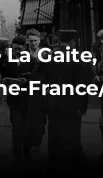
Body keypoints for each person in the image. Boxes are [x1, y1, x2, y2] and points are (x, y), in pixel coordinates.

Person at [32, 30, 91, 174]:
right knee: (73, 133)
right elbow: (82, 84)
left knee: (54, 133)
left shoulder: (48, 56)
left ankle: (54, 162)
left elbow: (38, 76)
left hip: (53, 102)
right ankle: (74, 163)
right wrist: (83, 104)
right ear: (72, 42)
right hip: (71, 102)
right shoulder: (78, 57)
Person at [1, 35, 37, 166]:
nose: (16, 52)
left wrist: (27, 81)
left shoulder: (32, 61)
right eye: (14, 49)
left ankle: (27, 153)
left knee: (27, 128)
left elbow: (38, 79)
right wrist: (4, 81)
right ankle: (17, 155)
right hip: (14, 100)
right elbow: (4, 76)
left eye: (19, 49)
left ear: (25, 48)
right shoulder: (8, 61)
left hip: (28, 100)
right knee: (17, 128)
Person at [25, 29, 46, 152]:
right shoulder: (23, 55)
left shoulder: (45, 55)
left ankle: (37, 140)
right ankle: (28, 142)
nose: (33, 43)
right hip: (26, 92)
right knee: (27, 118)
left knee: (39, 118)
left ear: (40, 41)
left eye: (36, 41)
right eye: (31, 41)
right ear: (27, 41)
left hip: (40, 91)